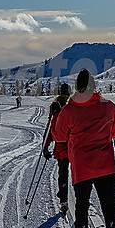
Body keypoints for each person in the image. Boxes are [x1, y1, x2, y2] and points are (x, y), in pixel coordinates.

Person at [52, 69, 115, 228]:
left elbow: (59, 136)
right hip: (105, 167)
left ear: (77, 88)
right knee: (110, 210)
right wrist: (104, 131)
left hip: (82, 168)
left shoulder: (69, 110)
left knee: (81, 210)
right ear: (94, 87)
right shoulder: (109, 106)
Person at [42, 83, 71, 214]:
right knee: (77, 175)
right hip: (75, 147)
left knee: (63, 175)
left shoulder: (56, 107)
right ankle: (81, 200)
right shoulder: (74, 105)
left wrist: (46, 146)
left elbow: (50, 127)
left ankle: (64, 201)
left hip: (62, 148)